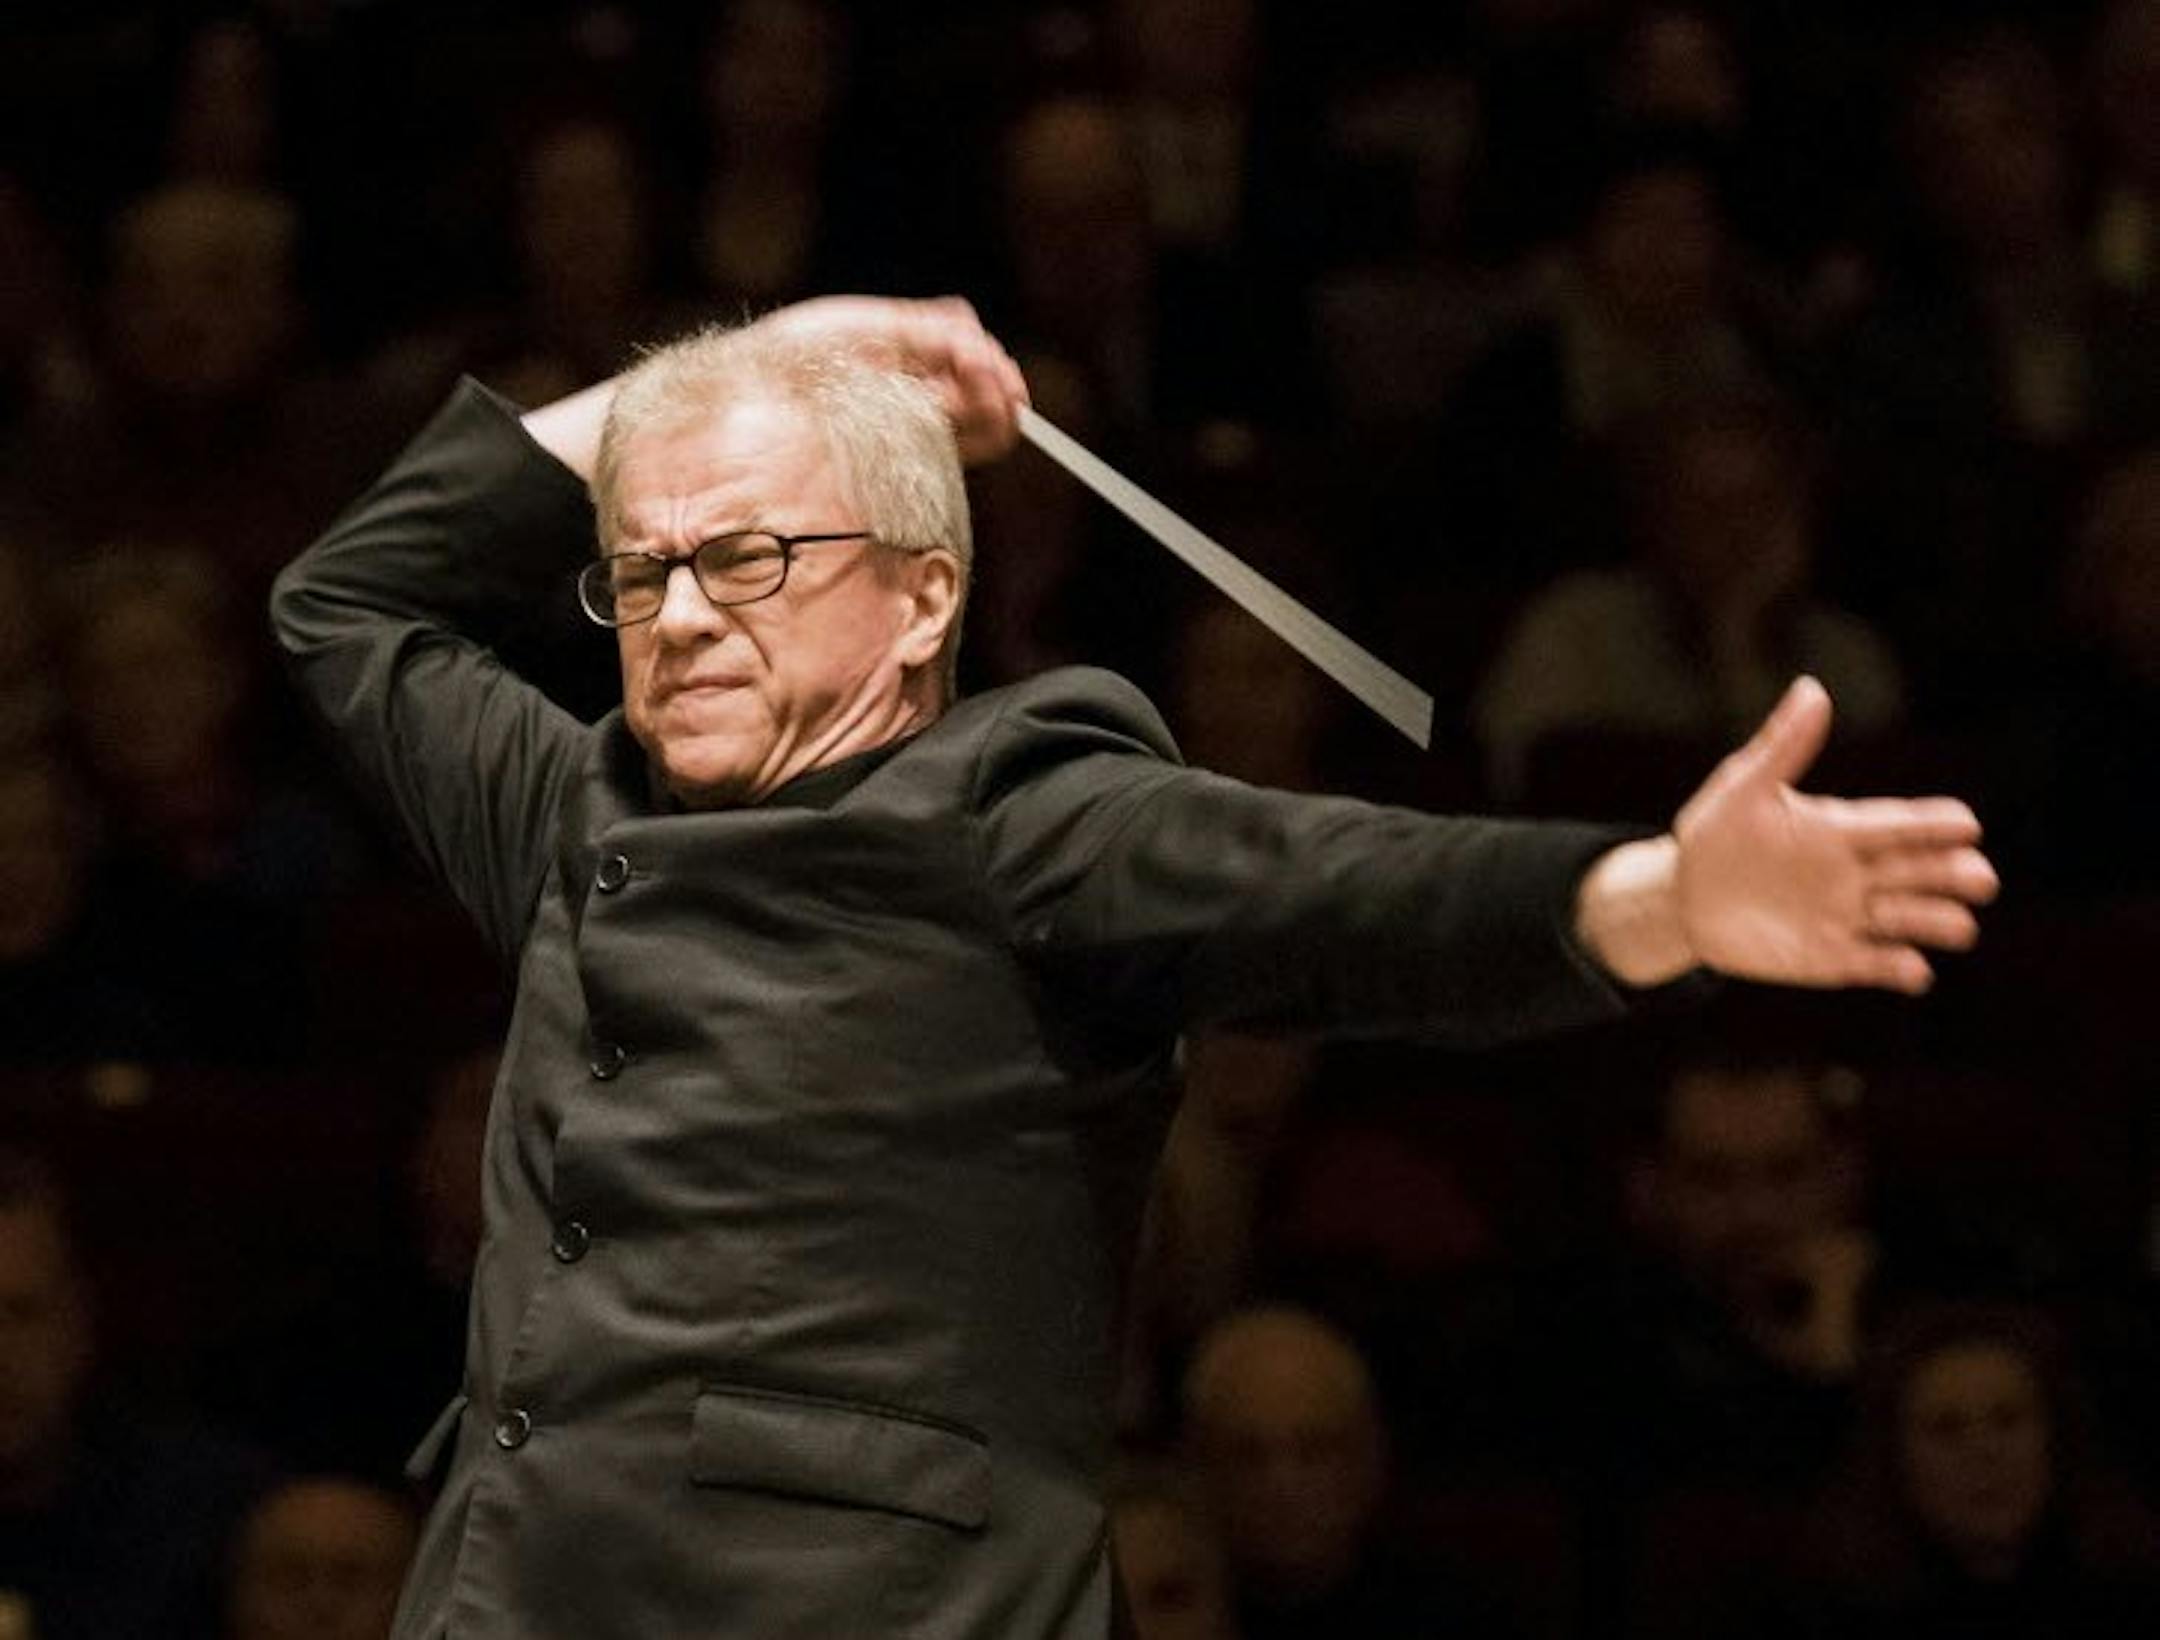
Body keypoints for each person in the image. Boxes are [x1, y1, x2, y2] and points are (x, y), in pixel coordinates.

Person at [270, 293, 1997, 1639]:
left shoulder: (1017, 808)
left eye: (748, 557)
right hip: (517, 1591)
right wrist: (776, 355)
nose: (688, 615)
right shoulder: (574, 804)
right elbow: (348, 601)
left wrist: (1655, 896)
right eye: (641, 578)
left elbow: (1332, 893)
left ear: (925, 600)